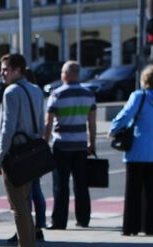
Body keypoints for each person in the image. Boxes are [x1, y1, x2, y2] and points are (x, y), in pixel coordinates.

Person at [0, 53, 45, 247]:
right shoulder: (36, 90)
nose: (2, 73)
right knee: (26, 202)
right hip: (32, 152)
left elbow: (7, 128)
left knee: (18, 205)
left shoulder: (11, 92)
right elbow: (40, 124)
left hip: (15, 155)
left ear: (17, 70)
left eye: (6, 69)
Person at [111, 65, 153, 237]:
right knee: (152, 192)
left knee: (133, 191)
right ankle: (150, 226)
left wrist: (113, 129)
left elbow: (126, 114)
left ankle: (131, 226)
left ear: (144, 80)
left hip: (138, 148)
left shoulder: (138, 96)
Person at [44, 60, 97, 230]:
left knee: (61, 184)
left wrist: (45, 143)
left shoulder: (57, 94)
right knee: (81, 183)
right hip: (81, 144)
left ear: (65, 75)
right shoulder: (88, 94)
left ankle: (59, 221)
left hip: (61, 144)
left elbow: (48, 122)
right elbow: (92, 122)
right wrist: (92, 143)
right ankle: (83, 218)